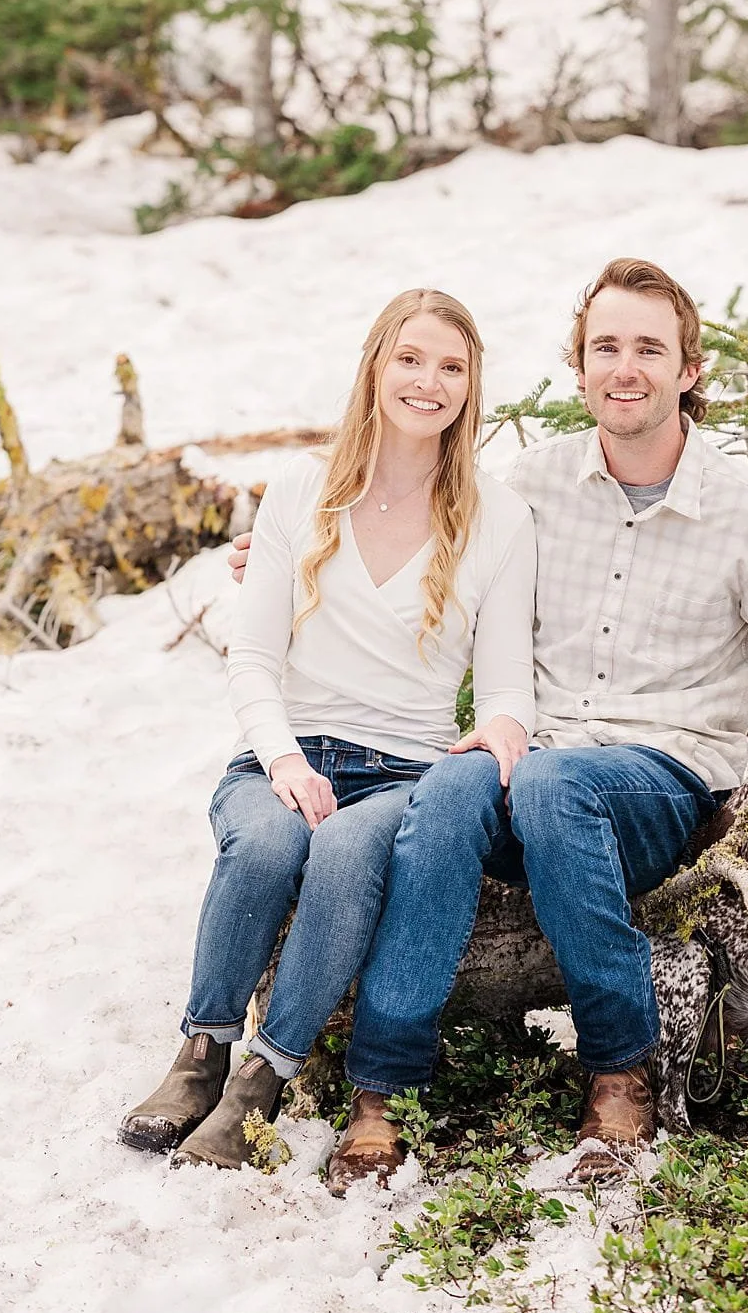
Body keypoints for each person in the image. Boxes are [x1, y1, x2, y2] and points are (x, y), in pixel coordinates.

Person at [234, 258, 748, 1187]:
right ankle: (383, 1090)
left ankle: (619, 1068)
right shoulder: (530, 491)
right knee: (452, 783)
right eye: (604, 347)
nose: (624, 367)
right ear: (580, 366)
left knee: (551, 782)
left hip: (660, 780)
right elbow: (411, 532)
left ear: (689, 370)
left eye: (648, 348)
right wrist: (278, 549)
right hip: (533, 760)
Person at [117, 290, 537, 1168]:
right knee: (267, 844)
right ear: (374, 368)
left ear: (472, 385)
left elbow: (503, 683)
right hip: (286, 749)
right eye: (410, 359)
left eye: (451, 366)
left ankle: (261, 1081)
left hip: (406, 769)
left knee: (346, 849)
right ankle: (202, 1051)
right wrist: (282, 759)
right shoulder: (305, 488)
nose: (428, 382)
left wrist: (501, 729)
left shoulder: (497, 517)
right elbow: (252, 656)